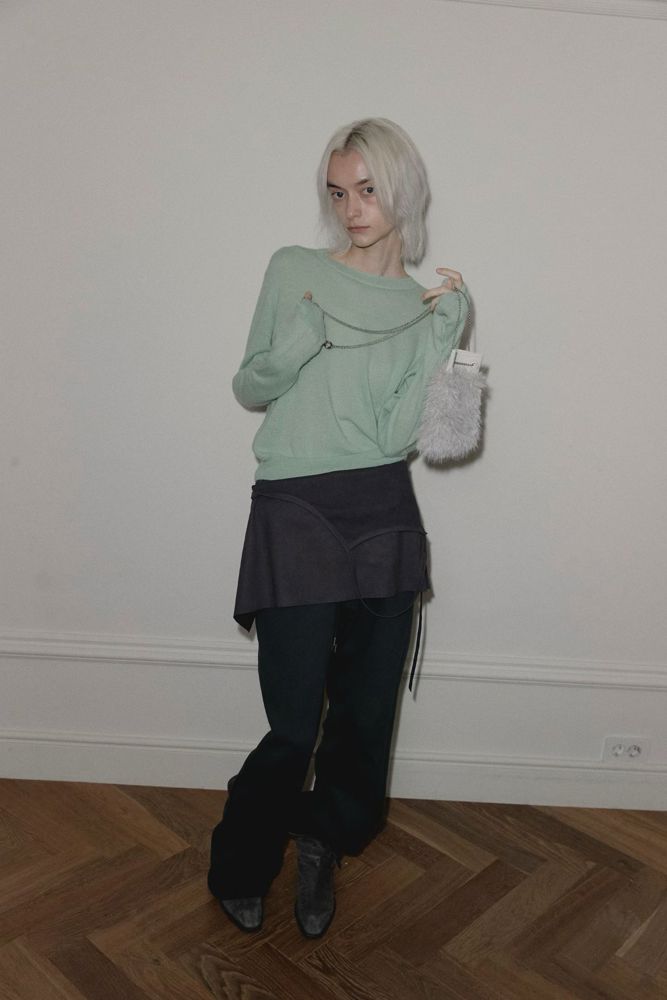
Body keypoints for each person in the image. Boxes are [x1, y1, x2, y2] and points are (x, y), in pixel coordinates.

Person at [207, 117, 470, 938]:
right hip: (293, 504)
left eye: (366, 191)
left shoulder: (417, 304)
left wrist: (442, 337)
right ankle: (242, 859)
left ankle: (325, 842)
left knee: (363, 715)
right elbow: (251, 386)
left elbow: (402, 437)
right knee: (293, 723)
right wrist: (297, 342)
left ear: (402, 192)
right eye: (337, 192)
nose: (350, 210)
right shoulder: (295, 269)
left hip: (381, 506)